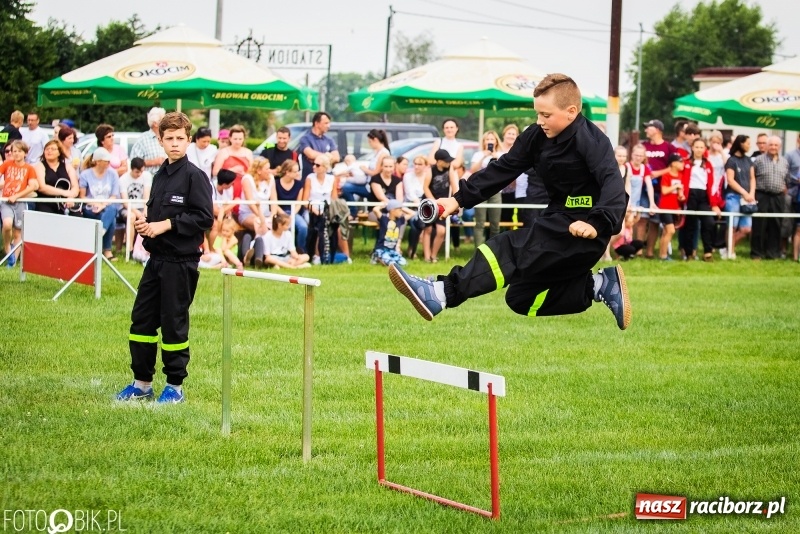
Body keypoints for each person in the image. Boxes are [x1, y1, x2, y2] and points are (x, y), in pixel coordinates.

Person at [387, 73, 631, 330]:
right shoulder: (536, 137)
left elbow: (613, 185)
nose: (539, 121)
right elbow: (503, 169)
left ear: (571, 111)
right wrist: (457, 200)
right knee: (522, 298)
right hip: (556, 221)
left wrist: (596, 223)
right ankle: (600, 285)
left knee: (508, 249)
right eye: (537, 113)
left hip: (586, 233)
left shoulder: (593, 141)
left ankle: (441, 293)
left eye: (546, 115)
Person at [117, 111, 213, 404]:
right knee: (142, 321)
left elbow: (204, 218)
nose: (174, 144)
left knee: (174, 323)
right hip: (155, 261)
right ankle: (141, 383)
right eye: (169, 138)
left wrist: (166, 225)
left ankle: (175, 387)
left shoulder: (195, 176)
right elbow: (155, 218)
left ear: (188, 140)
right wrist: (146, 227)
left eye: (180, 139)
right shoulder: (158, 176)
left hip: (181, 263)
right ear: (160, 141)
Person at [680, 138, 721, 262]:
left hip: (704, 197)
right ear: (692, 148)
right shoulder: (686, 162)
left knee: (708, 223)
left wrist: (714, 203)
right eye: (696, 147)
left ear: (705, 149)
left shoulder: (708, 164)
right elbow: (681, 180)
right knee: (689, 225)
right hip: (690, 195)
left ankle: (708, 251)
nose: (698, 149)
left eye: (701, 147)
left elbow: (712, 184)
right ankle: (688, 253)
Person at [751, 136, 790, 260]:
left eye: (776, 145)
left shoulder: (784, 162)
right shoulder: (758, 160)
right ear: (767, 146)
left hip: (778, 196)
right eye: (771, 145)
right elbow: (752, 178)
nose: (773, 147)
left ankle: (773, 253)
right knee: (759, 225)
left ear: (779, 147)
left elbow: (787, 180)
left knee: (776, 224)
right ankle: (757, 253)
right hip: (762, 195)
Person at [641, 119, 676, 258]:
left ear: (657, 129)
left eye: (648, 128)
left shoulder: (669, 147)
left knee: (655, 222)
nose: (645, 130)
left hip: (662, 190)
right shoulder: (643, 146)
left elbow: (674, 166)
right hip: (645, 188)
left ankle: (650, 251)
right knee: (643, 219)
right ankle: (640, 251)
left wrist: (657, 173)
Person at [0, 140, 39, 267]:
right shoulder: (7, 164)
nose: (16, 154)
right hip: (6, 201)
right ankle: (7, 247)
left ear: (25, 153)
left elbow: (33, 185)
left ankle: (12, 261)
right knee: (7, 225)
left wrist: (17, 195)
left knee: (18, 232)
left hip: (20, 202)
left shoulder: (29, 169)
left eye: (19, 151)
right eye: (14, 151)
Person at [79, 147, 121, 261]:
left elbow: (114, 196)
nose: (108, 163)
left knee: (111, 210)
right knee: (111, 219)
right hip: (90, 207)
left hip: (107, 206)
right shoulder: (85, 174)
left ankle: (99, 236)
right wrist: (95, 204)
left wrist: (102, 205)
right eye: (106, 161)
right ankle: (107, 251)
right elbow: (82, 196)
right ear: (97, 161)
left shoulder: (113, 174)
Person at [422, 149, 459, 263]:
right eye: (445, 160)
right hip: (429, 203)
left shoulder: (450, 170)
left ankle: (434, 255)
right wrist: (433, 202)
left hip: (443, 204)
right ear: (438, 161)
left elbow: (454, 186)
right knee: (428, 229)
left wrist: (457, 200)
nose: (448, 162)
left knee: (441, 231)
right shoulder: (431, 170)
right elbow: (425, 187)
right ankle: (427, 256)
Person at [722, 135, 756, 259]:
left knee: (746, 228)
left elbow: (752, 178)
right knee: (732, 226)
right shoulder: (731, 161)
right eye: (747, 143)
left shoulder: (749, 160)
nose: (749, 145)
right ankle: (730, 253)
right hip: (733, 197)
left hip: (747, 198)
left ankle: (727, 249)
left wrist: (751, 193)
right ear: (740, 144)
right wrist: (744, 192)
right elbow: (730, 180)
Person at [471, 130, 503, 248]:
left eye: (492, 139)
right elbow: (473, 170)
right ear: (484, 142)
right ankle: (478, 251)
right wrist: (484, 156)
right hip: (481, 191)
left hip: (496, 192)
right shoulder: (478, 154)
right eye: (487, 139)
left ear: (496, 141)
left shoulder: (501, 155)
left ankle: (493, 250)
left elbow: (503, 173)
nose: (490, 141)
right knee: (480, 223)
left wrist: (495, 158)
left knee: (495, 224)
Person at [33, 139, 79, 215]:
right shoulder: (39, 166)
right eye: (47, 149)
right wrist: (65, 193)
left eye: (53, 149)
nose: (49, 151)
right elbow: (42, 187)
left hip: (65, 201)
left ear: (59, 152)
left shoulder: (68, 166)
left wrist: (70, 197)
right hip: (46, 202)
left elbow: (75, 186)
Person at [118, 157, 153, 250]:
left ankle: (146, 249)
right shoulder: (123, 179)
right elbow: (125, 202)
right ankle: (130, 249)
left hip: (143, 206)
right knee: (131, 217)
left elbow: (147, 195)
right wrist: (137, 212)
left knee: (150, 216)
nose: (140, 174)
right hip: (127, 208)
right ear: (131, 169)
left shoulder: (147, 175)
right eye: (137, 172)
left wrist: (145, 210)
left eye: (141, 171)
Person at [274, 160, 308, 254]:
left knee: (303, 227)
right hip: (280, 212)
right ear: (287, 172)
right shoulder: (275, 184)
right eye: (295, 171)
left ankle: (301, 249)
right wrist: (283, 214)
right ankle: (285, 250)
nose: (298, 173)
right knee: (285, 227)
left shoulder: (299, 184)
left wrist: (292, 214)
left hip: (294, 212)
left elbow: (299, 202)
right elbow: (274, 203)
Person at [658, 153, 687, 261]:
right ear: (673, 163)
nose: (682, 164)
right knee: (670, 231)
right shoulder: (666, 175)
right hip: (665, 207)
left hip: (674, 207)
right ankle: (664, 256)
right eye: (680, 161)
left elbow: (679, 194)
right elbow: (664, 191)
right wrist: (675, 186)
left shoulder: (681, 176)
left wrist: (681, 196)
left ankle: (662, 255)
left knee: (666, 232)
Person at [297, 111, 340, 181]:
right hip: (309, 180)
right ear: (316, 123)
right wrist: (329, 157)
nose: (329, 126)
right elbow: (310, 154)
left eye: (329, 123)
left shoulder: (329, 140)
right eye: (326, 123)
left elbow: (337, 158)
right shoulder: (305, 139)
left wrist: (317, 157)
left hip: (327, 178)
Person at [130, 107, 168, 174]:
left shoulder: (168, 137)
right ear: (155, 124)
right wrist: (154, 162)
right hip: (148, 180)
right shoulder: (142, 140)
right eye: (163, 120)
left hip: (167, 179)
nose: (166, 122)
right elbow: (134, 163)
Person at [372, 199, 407, 267]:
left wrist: (401, 207)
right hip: (381, 249)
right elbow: (375, 209)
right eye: (399, 210)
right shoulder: (384, 219)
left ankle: (382, 259)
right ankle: (377, 256)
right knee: (391, 263)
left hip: (392, 250)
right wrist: (383, 205)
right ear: (392, 210)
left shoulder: (400, 220)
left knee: (403, 262)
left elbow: (412, 213)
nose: (401, 212)